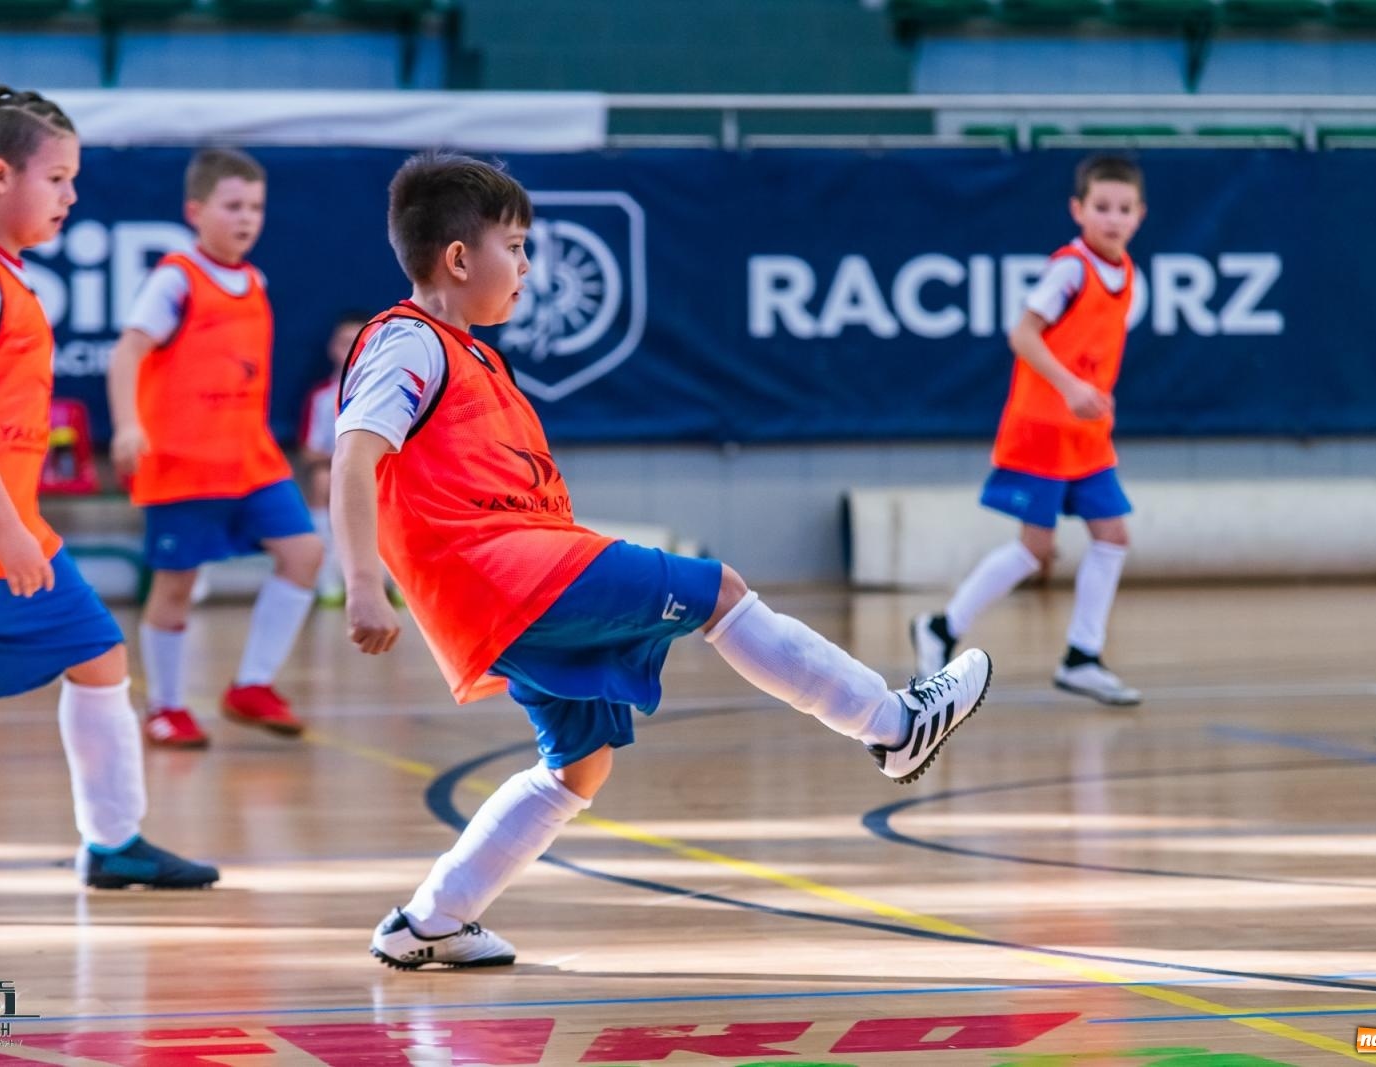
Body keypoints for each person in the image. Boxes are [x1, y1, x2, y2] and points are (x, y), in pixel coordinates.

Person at [331, 153, 993, 969]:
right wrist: (363, 582)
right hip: (510, 576)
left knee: (579, 768)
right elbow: (354, 456)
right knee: (721, 591)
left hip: (512, 582)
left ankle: (430, 920)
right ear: (459, 258)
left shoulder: (472, 357)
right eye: (517, 246)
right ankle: (892, 726)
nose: (529, 266)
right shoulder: (407, 342)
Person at [0, 85, 217, 889]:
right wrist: (5, 527)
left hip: (9, 542)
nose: (71, 195)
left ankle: (114, 840)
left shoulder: (3, 276)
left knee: (98, 654)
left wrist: (17, 530)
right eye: (57, 178)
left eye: (74, 178)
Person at [911, 155, 1146, 707]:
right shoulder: (1071, 268)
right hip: (1043, 427)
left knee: (1112, 536)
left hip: (1087, 435)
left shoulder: (1128, 272)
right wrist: (1069, 387)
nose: (1113, 219)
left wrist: (1088, 395)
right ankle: (941, 628)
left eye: (1124, 209)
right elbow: (1022, 334)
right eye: (1102, 207)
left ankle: (1082, 657)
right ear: (1078, 210)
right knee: (1034, 548)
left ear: (1140, 214)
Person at [107, 148, 322, 749]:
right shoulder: (176, 277)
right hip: (183, 463)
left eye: (255, 206)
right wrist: (128, 427)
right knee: (174, 589)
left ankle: (252, 685)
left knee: (304, 553)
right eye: (232, 206)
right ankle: (166, 708)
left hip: (250, 458)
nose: (246, 217)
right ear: (195, 210)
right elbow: (127, 352)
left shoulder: (256, 280)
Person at [300, 311, 369, 605]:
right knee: (322, 480)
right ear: (332, 348)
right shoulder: (321, 397)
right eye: (345, 343)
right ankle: (328, 576)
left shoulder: (387, 389)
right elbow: (309, 450)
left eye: (360, 342)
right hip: (338, 470)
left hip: (379, 471)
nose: (352, 350)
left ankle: (393, 580)